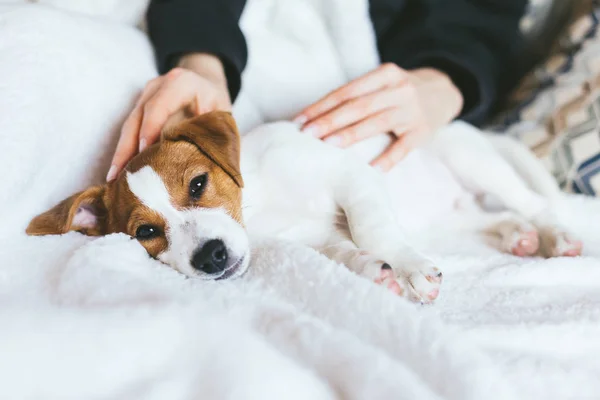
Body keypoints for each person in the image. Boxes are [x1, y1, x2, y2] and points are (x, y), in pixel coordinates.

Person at [106, 0, 528, 182]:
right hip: (208, 43)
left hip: (400, 82)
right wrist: (201, 65)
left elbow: (485, 22)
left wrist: (441, 85)